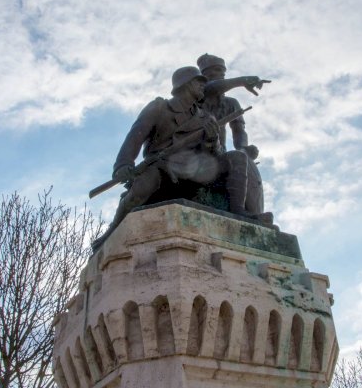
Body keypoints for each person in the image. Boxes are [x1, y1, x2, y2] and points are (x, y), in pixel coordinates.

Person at [92, 66, 253, 250]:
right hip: (162, 167)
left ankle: (239, 211)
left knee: (237, 158)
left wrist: (212, 140)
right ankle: (113, 230)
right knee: (142, 186)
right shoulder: (160, 108)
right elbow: (134, 137)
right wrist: (123, 165)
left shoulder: (205, 118)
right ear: (185, 84)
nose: (203, 86)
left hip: (193, 172)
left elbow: (214, 156)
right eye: (198, 82)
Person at [196, 53, 272, 221]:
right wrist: (242, 80)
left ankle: (252, 212)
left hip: (218, 154)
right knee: (237, 158)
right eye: (212, 73)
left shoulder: (231, 103)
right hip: (196, 156)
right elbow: (212, 88)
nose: (218, 75)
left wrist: (243, 147)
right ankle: (238, 210)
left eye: (221, 72)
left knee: (242, 158)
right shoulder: (198, 98)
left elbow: (239, 130)